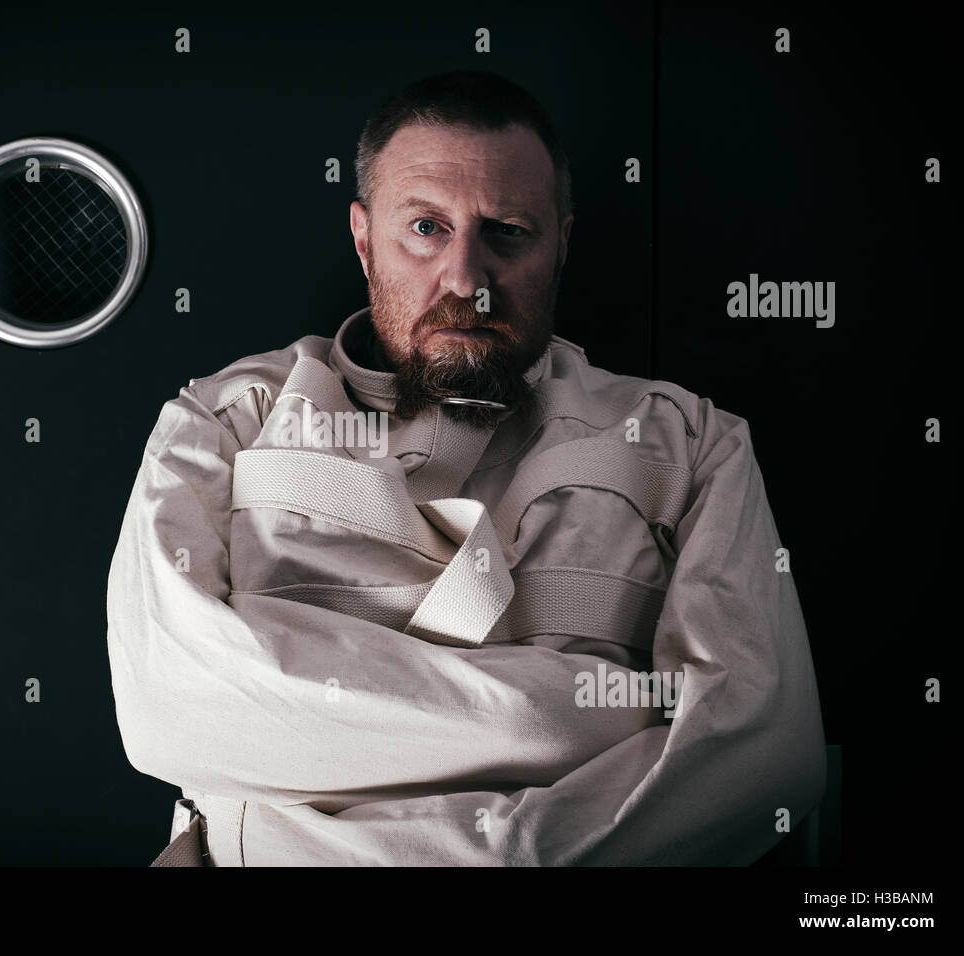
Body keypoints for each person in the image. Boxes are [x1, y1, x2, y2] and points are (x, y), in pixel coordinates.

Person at [106, 70, 828, 866]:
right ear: (362, 238)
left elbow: (761, 766)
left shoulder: (690, 443)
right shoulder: (224, 423)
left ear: (562, 242)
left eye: (507, 232)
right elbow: (172, 712)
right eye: (425, 227)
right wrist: (573, 721)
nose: (465, 281)